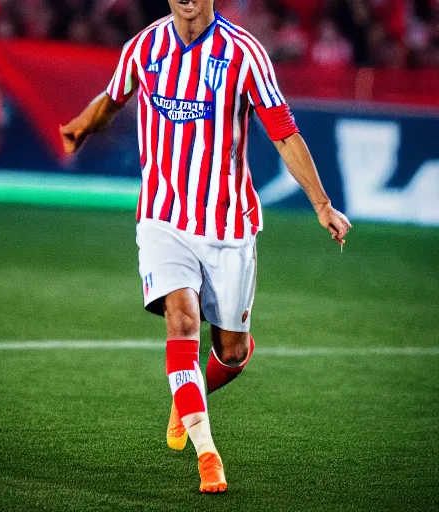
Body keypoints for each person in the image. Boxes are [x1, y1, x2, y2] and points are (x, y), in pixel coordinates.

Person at [59, 0, 352, 494]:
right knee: (181, 319)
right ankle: (207, 452)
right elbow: (114, 97)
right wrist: (82, 126)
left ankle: (186, 393)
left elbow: (282, 132)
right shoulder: (144, 46)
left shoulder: (244, 54)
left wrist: (322, 205)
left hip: (227, 223)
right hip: (162, 215)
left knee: (231, 349)